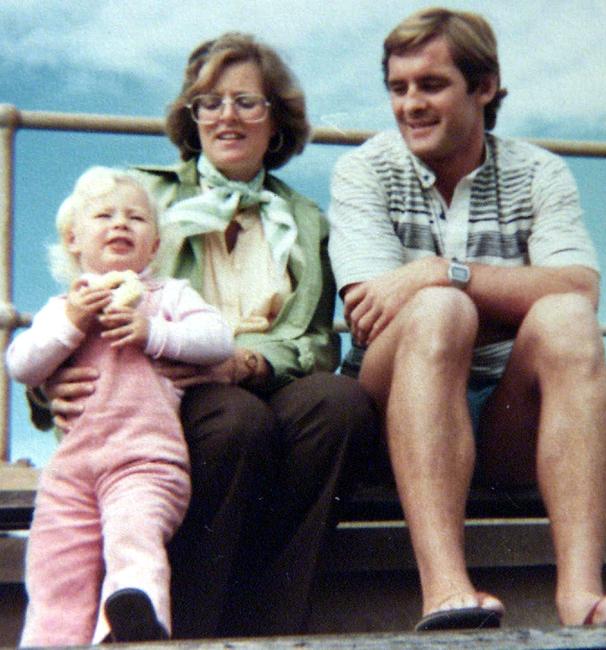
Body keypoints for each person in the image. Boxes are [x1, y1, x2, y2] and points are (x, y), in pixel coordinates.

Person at [37, 33, 378, 638]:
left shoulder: (305, 221)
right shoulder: (144, 195)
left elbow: (315, 343)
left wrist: (246, 362)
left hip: (261, 372)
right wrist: (48, 388)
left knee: (340, 405)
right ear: (191, 119)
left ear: (276, 123)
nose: (227, 116)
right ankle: (189, 626)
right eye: (210, 102)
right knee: (234, 421)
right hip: (166, 388)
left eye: (248, 102)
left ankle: (275, 625)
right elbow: (73, 297)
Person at [328, 6, 606, 631]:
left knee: (563, 321)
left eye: (431, 85)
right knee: (439, 314)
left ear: (484, 86)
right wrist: (482, 294)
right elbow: (370, 313)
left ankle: (581, 596)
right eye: (398, 88)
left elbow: (578, 288)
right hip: (393, 401)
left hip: (504, 414)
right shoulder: (365, 169)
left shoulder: (538, 171)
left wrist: (438, 269)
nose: (411, 105)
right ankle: (444, 588)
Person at [8, 167, 234, 646]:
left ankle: (129, 631)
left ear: (154, 245)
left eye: (136, 218)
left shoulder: (166, 296)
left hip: (144, 461)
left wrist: (154, 332)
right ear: (73, 239)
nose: (120, 224)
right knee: (55, 566)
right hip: (71, 470)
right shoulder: (62, 307)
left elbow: (218, 341)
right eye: (104, 216)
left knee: (134, 541)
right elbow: (22, 365)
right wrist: (72, 321)